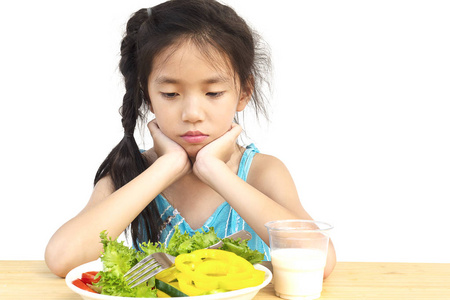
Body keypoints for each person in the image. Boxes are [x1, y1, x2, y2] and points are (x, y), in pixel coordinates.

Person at [45, 0, 336, 278]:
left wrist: (216, 172)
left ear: (244, 92)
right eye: (171, 94)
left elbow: (319, 262)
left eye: (213, 93)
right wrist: (166, 167)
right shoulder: (131, 169)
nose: (193, 113)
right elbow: (62, 257)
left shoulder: (262, 172)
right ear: (146, 94)